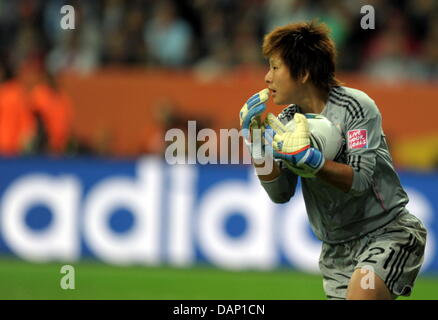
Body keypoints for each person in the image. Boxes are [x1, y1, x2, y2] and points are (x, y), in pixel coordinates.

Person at [239, 21, 427, 300]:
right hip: (336, 252)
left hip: (387, 233)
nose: (267, 77)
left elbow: (361, 180)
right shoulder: (287, 122)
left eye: (275, 67)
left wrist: (311, 161)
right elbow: (279, 194)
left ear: (303, 73)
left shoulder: (357, 107)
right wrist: (256, 144)